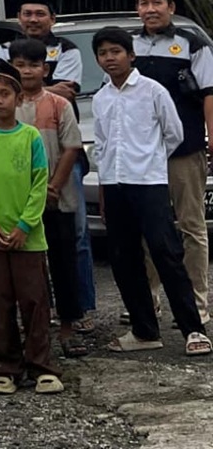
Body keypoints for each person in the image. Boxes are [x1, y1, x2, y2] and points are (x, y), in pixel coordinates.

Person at [90, 27, 211, 356]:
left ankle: (193, 329)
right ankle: (144, 331)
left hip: (149, 183)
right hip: (115, 185)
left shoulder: (153, 91)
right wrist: (104, 188)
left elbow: (173, 133)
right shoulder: (101, 99)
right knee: (124, 258)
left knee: (166, 252)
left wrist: (151, 162)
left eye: (116, 51)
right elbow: (101, 147)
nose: (110, 58)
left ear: (131, 55)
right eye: (103, 53)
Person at [0, 60, 63, 394]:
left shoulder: (30, 136)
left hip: (29, 236)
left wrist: (25, 225)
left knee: (34, 301)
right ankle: (4, 366)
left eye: (5, 93)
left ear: (18, 97)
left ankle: (41, 366)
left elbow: (41, 183)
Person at [133, 0, 212, 325]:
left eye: (156, 2)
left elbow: (209, 93)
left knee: (191, 225)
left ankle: (197, 301)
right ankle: (150, 298)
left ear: (171, 7)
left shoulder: (193, 43)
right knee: (149, 227)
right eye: (144, 3)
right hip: (144, 154)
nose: (150, 9)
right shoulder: (128, 46)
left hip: (186, 149)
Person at [10, 38, 87, 358]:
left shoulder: (59, 105)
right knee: (29, 269)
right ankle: (34, 329)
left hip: (58, 198)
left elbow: (71, 147)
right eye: (20, 65)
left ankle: (68, 330)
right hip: (19, 201)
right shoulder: (7, 105)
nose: (26, 71)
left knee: (63, 263)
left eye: (33, 65)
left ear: (45, 69)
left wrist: (53, 186)